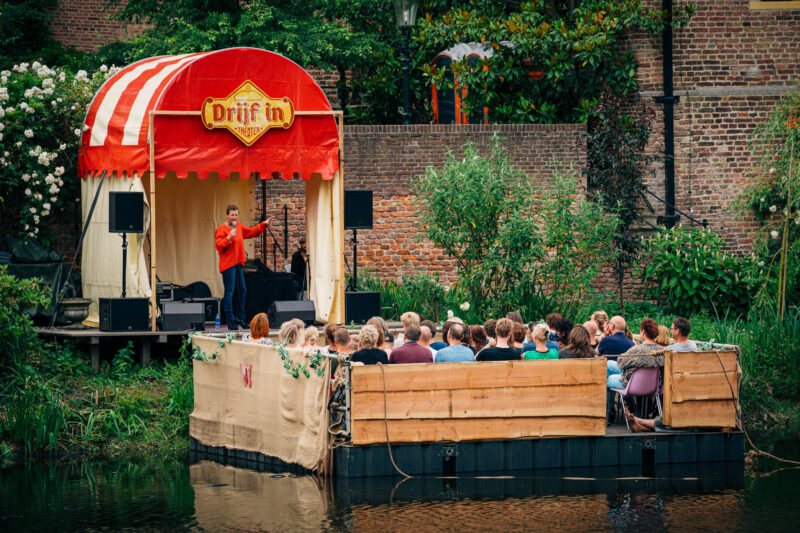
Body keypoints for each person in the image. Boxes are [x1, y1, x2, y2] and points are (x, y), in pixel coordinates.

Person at [214, 205, 273, 330]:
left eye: (236, 215)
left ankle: (241, 318)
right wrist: (229, 237)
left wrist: (263, 224)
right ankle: (230, 319)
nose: (235, 217)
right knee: (230, 291)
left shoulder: (239, 226)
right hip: (228, 264)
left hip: (238, 263)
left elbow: (251, 232)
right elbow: (219, 246)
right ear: (227, 215)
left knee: (242, 290)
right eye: (232, 215)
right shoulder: (221, 229)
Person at [607, 319, 664, 390]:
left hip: (631, 385)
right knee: (609, 364)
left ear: (643, 332)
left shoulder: (637, 350)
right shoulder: (661, 351)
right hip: (652, 386)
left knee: (608, 378)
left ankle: (609, 401)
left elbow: (620, 363)